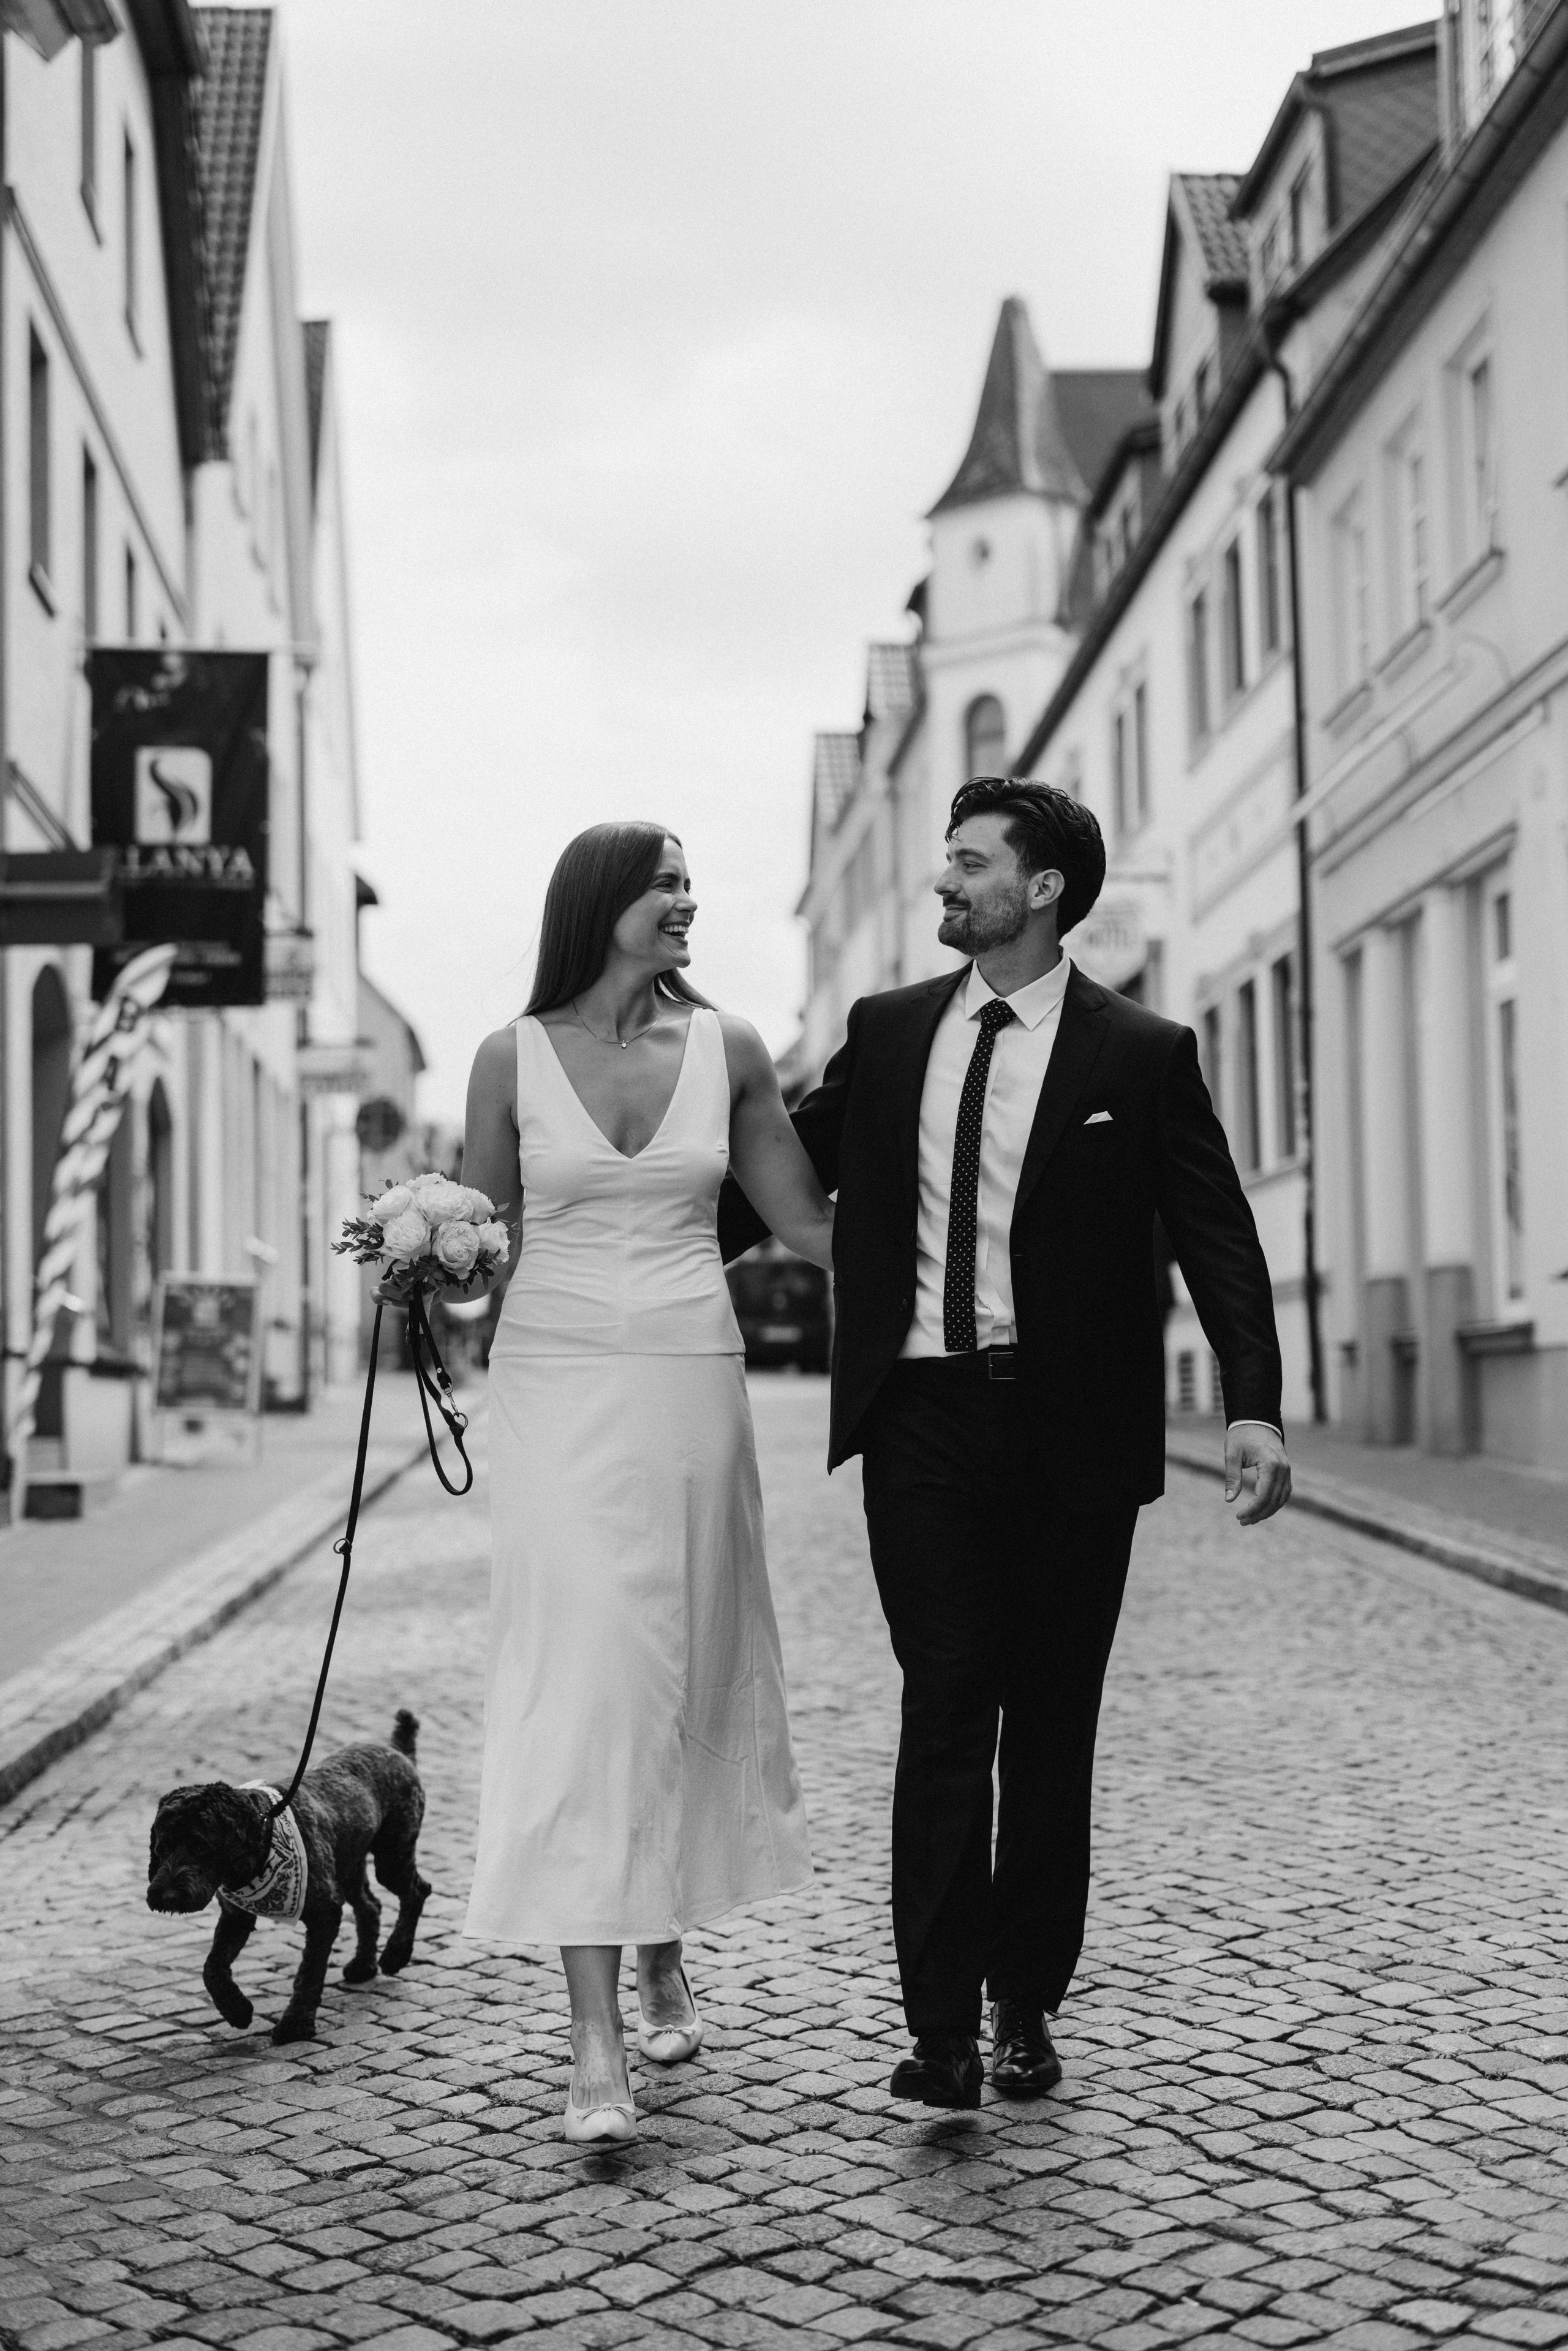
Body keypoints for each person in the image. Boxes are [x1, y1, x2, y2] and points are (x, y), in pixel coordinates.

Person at [720, 777, 1291, 2111]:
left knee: (1048, 1723)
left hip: (1071, 1431)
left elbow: (1216, 1234)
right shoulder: (888, 1028)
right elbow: (770, 1175)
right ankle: (939, 2028)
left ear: (1040, 887)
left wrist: (1251, 1404)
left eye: (969, 862)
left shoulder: (1137, 1053)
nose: (944, 882)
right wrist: (583, 1252)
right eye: (945, 859)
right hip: (919, 1412)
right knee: (943, 1705)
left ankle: (1021, 1995)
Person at [461, 821, 832, 2143]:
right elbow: (480, 1243)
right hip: (553, 1380)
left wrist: (979, 1253)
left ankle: (662, 1933)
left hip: (689, 1376)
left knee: (674, 1668)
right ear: (599, 902)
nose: (688, 901)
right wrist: (422, 1261)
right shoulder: (509, 1056)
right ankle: (593, 2038)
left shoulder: (728, 1048)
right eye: (665, 883)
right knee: (589, 1676)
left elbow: (803, 1222)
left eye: (688, 882)